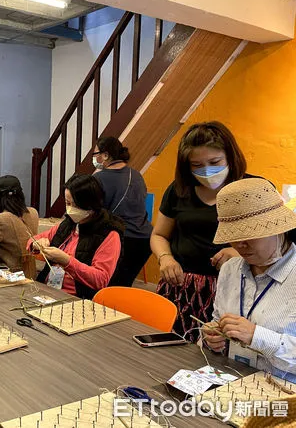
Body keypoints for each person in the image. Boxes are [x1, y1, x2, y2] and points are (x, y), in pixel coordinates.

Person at [150, 121, 253, 342]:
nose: (206, 171)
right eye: (196, 165)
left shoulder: (252, 190)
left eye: (215, 162)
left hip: (233, 289)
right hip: (181, 286)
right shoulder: (179, 189)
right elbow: (159, 235)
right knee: (170, 347)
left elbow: (278, 247)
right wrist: (165, 258)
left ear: (230, 157)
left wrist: (240, 253)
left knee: (220, 352)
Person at [203, 178, 296, 382]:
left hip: (283, 392)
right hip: (231, 379)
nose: (240, 245)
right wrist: (213, 336)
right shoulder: (230, 270)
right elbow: (217, 319)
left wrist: (257, 336)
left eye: (251, 234)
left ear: (278, 228)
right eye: (234, 236)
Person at [28, 174, 124, 299]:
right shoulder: (67, 224)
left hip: (78, 298)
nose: (70, 210)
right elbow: (32, 240)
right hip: (48, 290)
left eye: (75, 205)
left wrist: (67, 261)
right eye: (67, 203)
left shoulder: (109, 235)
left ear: (91, 206)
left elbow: (100, 279)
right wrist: (37, 243)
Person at [93, 137, 153, 287]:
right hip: (144, 240)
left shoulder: (98, 178)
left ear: (105, 155)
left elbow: (93, 212)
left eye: (96, 154)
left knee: (107, 288)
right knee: (123, 286)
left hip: (119, 240)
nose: (94, 158)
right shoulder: (137, 175)